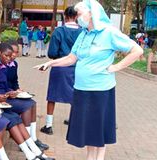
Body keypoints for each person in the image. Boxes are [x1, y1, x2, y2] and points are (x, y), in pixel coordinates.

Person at [34, 1, 143, 160]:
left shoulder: (109, 33)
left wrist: (116, 67)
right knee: (89, 131)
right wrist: (50, 63)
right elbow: (72, 58)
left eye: (79, 14)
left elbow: (137, 50)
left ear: (91, 13)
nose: (77, 17)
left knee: (98, 130)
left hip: (101, 90)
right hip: (81, 89)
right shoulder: (83, 34)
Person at [0, 40, 54, 160]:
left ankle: (33, 152)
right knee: (6, 120)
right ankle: (29, 153)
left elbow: (3, 85)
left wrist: (10, 92)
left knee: (15, 117)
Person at [0, 43, 49, 151]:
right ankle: (28, 142)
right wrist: (5, 94)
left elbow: (10, 83)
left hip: (5, 95)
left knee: (32, 103)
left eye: (15, 53)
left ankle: (32, 138)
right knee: (26, 106)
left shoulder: (8, 65)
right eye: (9, 55)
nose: (12, 56)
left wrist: (14, 91)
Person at [40, 6, 82, 135]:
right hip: (77, 68)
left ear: (64, 16)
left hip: (59, 67)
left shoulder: (58, 31)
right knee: (75, 95)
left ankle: (48, 125)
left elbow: (52, 52)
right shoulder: (83, 32)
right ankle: (74, 122)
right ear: (76, 17)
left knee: (52, 95)